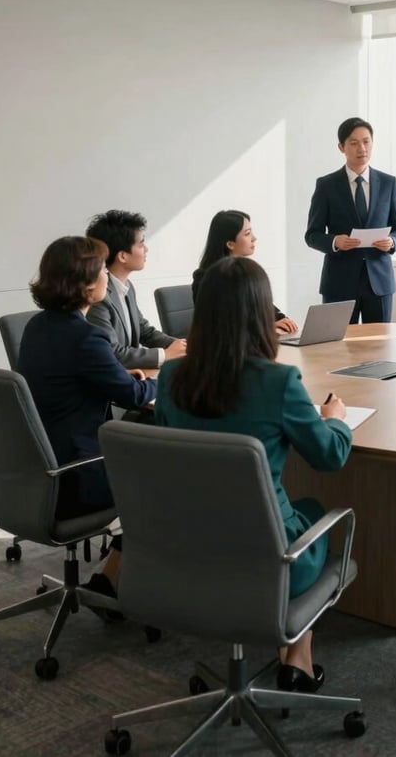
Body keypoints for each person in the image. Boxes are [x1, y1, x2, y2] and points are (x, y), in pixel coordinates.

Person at [155, 256, 351, 690]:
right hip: (270, 561)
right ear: (260, 313)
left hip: (188, 549)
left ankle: (288, 649)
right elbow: (329, 457)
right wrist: (334, 417)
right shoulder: (278, 382)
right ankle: (296, 659)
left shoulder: (169, 377)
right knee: (315, 509)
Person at [18, 236, 158, 601]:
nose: (107, 278)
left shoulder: (37, 327)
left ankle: (112, 578)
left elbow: (79, 380)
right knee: (162, 479)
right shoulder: (86, 338)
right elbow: (133, 396)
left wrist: (123, 377)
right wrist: (161, 381)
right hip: (77, 474)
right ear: (85, 284)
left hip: (34, 472)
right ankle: (120, 582)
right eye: (101, 271)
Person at [305, 117, 396, 324]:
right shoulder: (326, 185)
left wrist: (392, 242)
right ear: (341, 147)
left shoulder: (388, 183)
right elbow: (312, 235)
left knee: (379, 348)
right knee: (337, 346)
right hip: (339, 283)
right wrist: (335, 242)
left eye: (366, 141)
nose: (362, 148)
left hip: (379, 283)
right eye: (354, 143)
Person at [85, 210, 187, 369]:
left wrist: (182, 347)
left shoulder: (126, 286)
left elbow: (144, 331)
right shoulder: (97, 296)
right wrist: (165, 355)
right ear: (122, 256)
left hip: (133, 376)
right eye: (141, 244)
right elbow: (112, 353)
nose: (146, 249)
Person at [192, 209, 298, 333]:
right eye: (247, 234)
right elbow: (227, 324)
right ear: (230, 244)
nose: (254, 238)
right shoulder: (206, 279)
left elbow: (265, 308)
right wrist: (266, 326)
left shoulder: (246, 273)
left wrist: (282, 320)